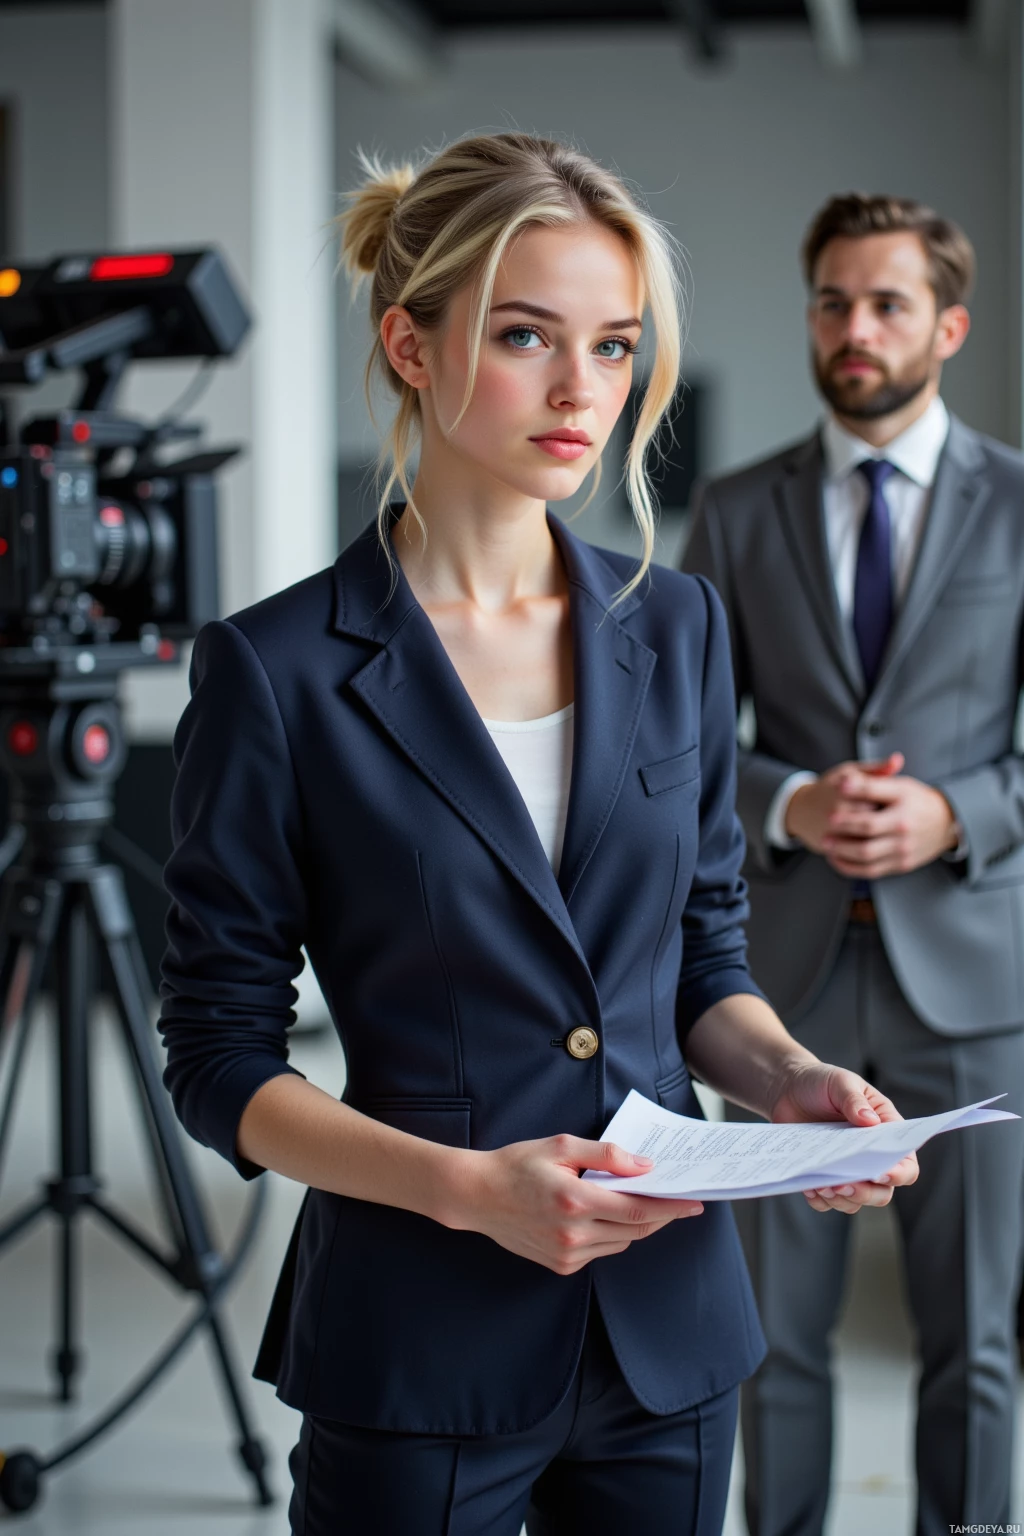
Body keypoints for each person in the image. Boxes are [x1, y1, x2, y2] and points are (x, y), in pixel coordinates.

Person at [160, 139, 916, 1536]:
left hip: (666, 1334)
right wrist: (466, 1193)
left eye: (616, 346)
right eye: (526, 337)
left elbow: (700, 961)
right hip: (416, 1345)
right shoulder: (276, 673)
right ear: (411, 343)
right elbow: (218, 1060)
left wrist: (796, 1080)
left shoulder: (676, 628)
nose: (583, 392)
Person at [684, 193, 1024, 1536]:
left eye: (887, 303)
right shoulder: (734, 507)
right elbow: (697, 746)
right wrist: (790, 801)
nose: (855, 328)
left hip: (978, 978)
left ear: (948, 322)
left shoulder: (1020, 502)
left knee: (978, 1343)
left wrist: (964, 813)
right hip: (783, 993)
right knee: (771, 1341)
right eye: (833, 300)